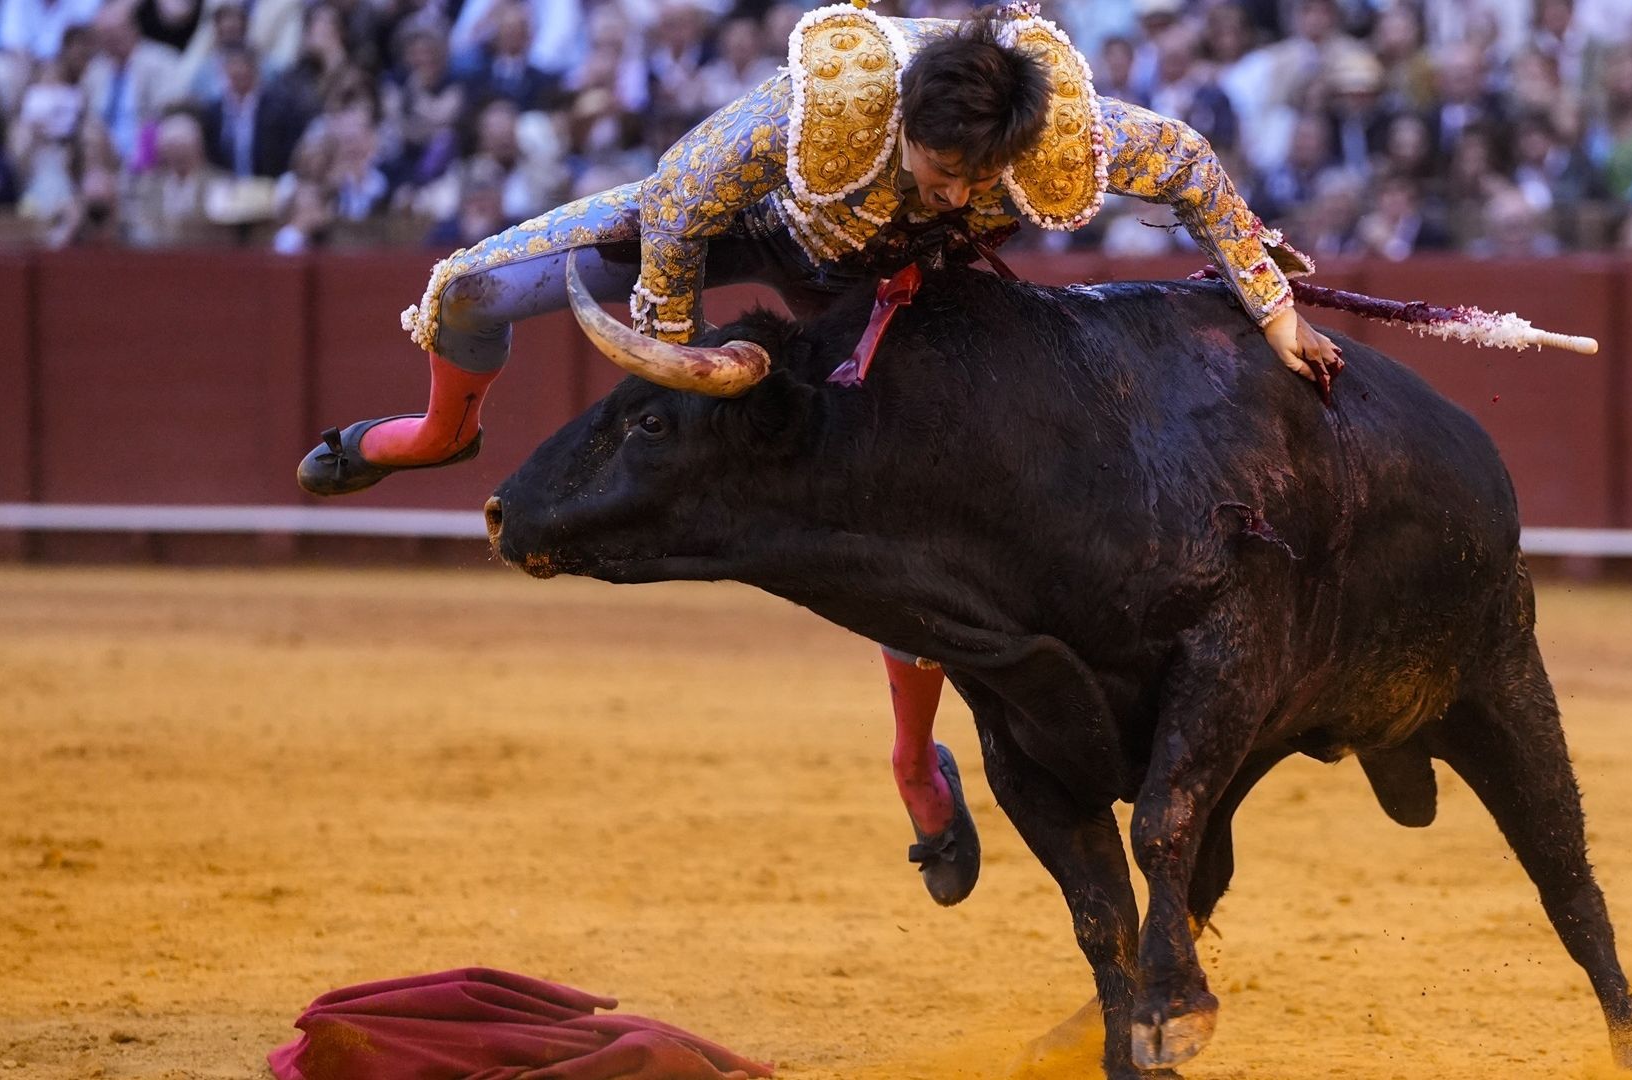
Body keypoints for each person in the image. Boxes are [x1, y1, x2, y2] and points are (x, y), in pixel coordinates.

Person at [298, 1, 1338, 907]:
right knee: (471, 287)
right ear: (904, 126)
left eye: (978, 177)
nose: (953, 190)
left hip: (887, 286)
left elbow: (1193, 170)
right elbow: (675, 201)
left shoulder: (1055, 132)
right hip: (741, 227)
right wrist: (670, 343)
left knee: (918, 521)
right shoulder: (817, 105)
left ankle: (914, 766)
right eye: (941, 172)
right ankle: (438, 432)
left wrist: (1276, 311)